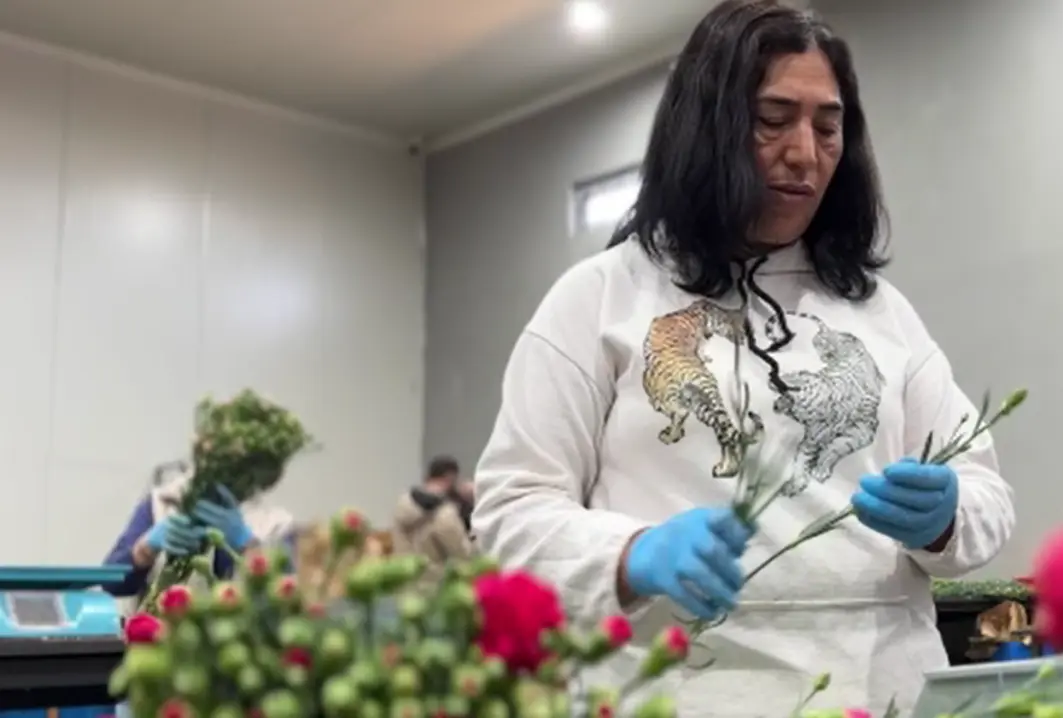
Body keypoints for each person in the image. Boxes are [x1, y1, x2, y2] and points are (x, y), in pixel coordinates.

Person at [471, 1, 1015, 715]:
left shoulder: (881, 313)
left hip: (879, 693)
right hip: (673, 692)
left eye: (828, 127)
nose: (805, 153)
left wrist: (946, 517)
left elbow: (986, 494)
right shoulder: (600, 298)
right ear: (706, 126)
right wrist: (633, 554)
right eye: (772, 120)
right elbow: (507, 517)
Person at [102, 469, 294, 614]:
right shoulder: (162, 503)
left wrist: (249, 547)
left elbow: (291, 600)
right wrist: (145, 548)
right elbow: (111, 583)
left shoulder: (274, 523)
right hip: (161, 643)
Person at [391, 456, 475, 587]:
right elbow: (463, 556)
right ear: (451, 478)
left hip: (403, 584)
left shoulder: (402, 504)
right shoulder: (444, 514)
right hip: (434, 590)